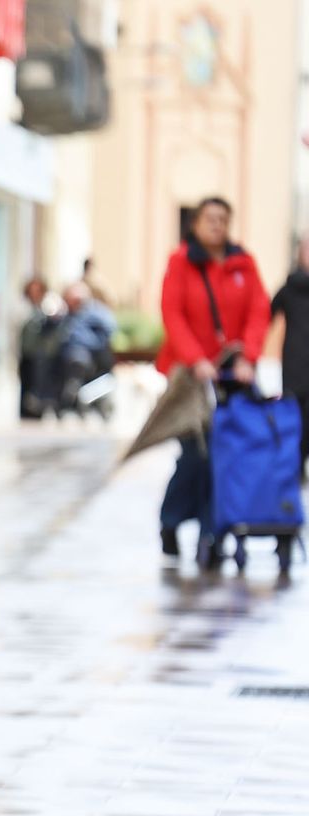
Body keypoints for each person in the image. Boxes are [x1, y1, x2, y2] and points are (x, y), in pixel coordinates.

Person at [156, 195, 269, 564]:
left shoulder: (244, 263)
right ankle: (171, 521)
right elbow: (172, 314)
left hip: (231, 376)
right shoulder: (181, 261)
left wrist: (248, 357)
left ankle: (211, 532)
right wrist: (195, 359)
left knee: (226, 456)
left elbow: (258, 312)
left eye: (223, 219)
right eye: (210, 219)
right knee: (195, 455)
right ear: (196, 224)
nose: (217, 225)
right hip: (189, 377)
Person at [266, 232, 309, 481]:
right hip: (295, 363)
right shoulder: (290, 288)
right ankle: (295, 465)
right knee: (296, 418)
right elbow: (267, 313)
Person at [56, 281, 118, 419]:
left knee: (79, 361)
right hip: (67, 356)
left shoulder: (95, 311)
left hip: (90, 354)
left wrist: (94, 341)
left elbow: (110, 328)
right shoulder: (66, 314)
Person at [17, 276, 61, 419]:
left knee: (39, 382)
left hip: (42, 354)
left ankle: (37, 408)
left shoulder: (47, 305)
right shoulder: (22, 307)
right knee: (25, 381)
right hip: (26, 351)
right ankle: (24, 411)